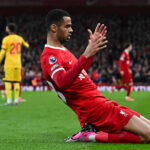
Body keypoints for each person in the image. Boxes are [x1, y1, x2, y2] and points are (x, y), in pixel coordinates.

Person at [41, 9, 150, 144]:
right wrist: (86, 54)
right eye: (67, 26)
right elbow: (62, 82)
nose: (71, 30)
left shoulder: (62, 51)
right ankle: (89, 136)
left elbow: (80, 73)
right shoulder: (49, 56)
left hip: (101, 103)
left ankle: (91, 132)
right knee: (148, 135)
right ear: (54, 27)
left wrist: (92, 52)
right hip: (94, 109)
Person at [0, 23, 29, 105]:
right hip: (17, 64)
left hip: (9, 64)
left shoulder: (6, 39)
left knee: (8, 82)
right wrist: (26, 43)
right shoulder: (20, 38)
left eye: (6, 27)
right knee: (17, 82)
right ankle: (16, 100)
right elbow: (26, 45)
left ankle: (9, 101)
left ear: (9, 29)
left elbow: (2, 52)